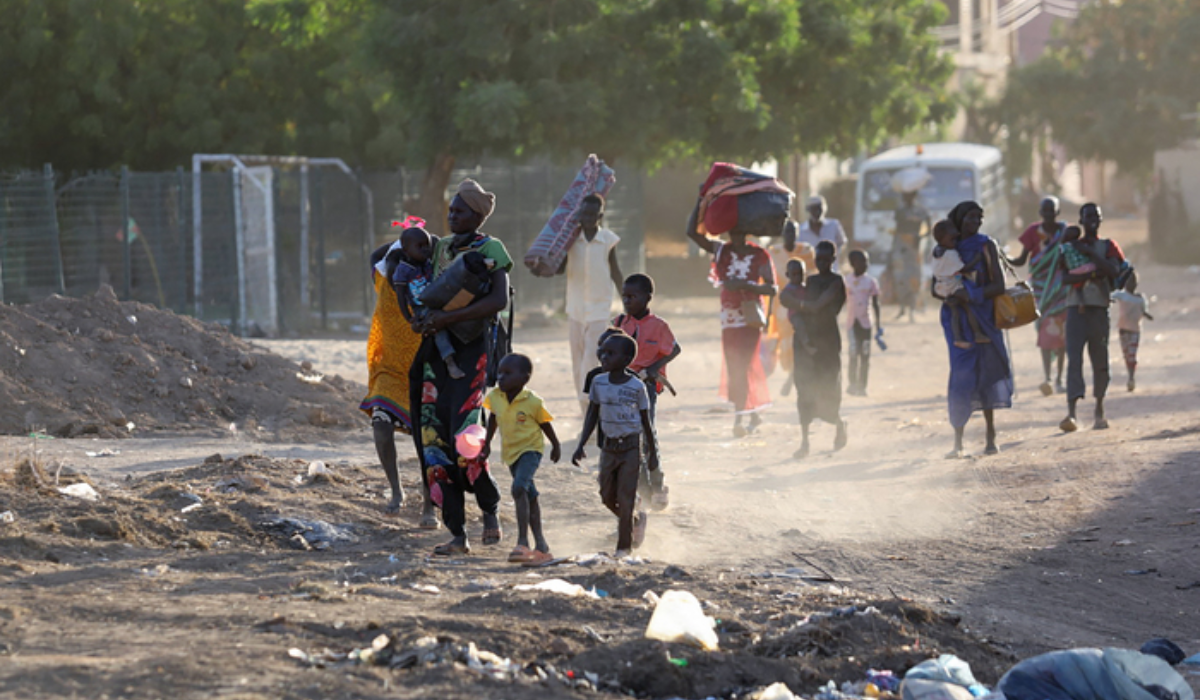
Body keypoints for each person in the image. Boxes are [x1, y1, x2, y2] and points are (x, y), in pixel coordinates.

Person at [411, 179, 513, 556]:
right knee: (433, 439)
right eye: (450, 210)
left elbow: (498, 300)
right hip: (436, 354)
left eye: (459, 211)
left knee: (466, 438)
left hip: (472, 352)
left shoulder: (491, 249)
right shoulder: (438, 247)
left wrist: (447, 319)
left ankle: (489, 509)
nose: (452, 216)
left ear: (477, 215)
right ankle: (457, 532)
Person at [361, 216, 432, 522]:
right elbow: (376, 255)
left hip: (425, 369)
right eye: (396, 261)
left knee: (427, 441)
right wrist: (402, 239)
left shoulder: (426, 284)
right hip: (389, 370)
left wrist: (419, 241)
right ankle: (396, 490)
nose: (400, 270)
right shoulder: (382, 276)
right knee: (380, 427)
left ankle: (431, 503)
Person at [687, 213, 778, 437]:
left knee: (742, 363)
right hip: (729, 318)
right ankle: (753, 411)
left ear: (746, 232)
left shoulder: (759, 254)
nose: (735, 236)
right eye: (732, 231)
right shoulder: (722, 251)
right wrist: (701, 200)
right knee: (735, 365)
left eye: (739, 232)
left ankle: (739, 418)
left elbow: (772, 288)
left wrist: (745, 286)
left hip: (750, 317)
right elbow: (692, 233)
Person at [572, 334, 661, 558]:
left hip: (632, 447)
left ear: (627, 358)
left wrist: (651, 455)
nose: (604, 356)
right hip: (609, 447)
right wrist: (581, 444)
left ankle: (623, 549)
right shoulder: (598, 382)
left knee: (626, 497)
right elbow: (592, 414)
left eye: (610, 353)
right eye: (602, 352)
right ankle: (630, 519)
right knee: (606, 494)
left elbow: (646, 422)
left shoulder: (637, 386)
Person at [935, 202, 1013, 458]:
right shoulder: (947, 246)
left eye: (979, 218)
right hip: (958, 323)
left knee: (987, 374)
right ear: (959, 219)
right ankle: (958, 441)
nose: (976, 222)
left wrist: (971, 294)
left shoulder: (986, 245)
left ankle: (990, 436)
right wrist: (950, 296)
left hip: (984, 318)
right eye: (970, 217)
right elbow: (935, 285)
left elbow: (999, 285)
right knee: (961, 377)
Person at [481, 353, 561, 566]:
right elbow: (493, 419)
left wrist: (556, 444)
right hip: (511, 453)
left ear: (524, 378)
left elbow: (545, 423)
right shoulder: (495, 396)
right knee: (529, 495)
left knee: (518, 489)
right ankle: (542, 546)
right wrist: (487, 443)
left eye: (507, 373)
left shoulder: (533, 401)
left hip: (530, 450)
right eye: (499, 372)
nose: (501, 377)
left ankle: (522, 542)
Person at [613, 273, 680, 510]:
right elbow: (607, 351)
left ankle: (657, 484)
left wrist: (652, 369)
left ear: (647, 298)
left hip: (646, 388)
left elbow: (674, 349)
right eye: (624, 296)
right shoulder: (619, 323)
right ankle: (641, 488)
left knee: (647, 435)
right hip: (621, 387)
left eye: (633, 296)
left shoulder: (659, 326)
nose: (627, 301)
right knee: (629, 437)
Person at [1059, 203, 1125, 433]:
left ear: (1101, 219)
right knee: (1074, 361)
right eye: (1088, 217)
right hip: (1076, 309)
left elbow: (1115, 271)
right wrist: (1095, 272)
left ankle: (1099, 408)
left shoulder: (1107, 246)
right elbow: (1063, 278)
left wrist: (1089, 255)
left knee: (1100, 360)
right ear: (1081, 220)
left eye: (1096, 216)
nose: (1092, 220)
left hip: (1098, 309)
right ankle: (1072, 412)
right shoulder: (1069, 247)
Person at [781, 241, 847, 458]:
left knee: (829, 388)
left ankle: (838, 424)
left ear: (833, 260)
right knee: (805, 389)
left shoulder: (837, 281)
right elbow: (785, 297)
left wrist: (798, 305)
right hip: (807, 342)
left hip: (828, 341)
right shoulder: (811, 281)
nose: (822, 263)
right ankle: (805, 441)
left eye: (826, 259)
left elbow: (818, 305)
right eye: (819, 259)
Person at [562, 193, 623, 414]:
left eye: (592, 214)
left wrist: (627, 299)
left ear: (600, 215)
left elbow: (615, 271)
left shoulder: (608, 240)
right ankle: (584, 408)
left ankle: (592, 405)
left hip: (599, 308)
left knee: (592, 357)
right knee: (577, 360)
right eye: (583, 213)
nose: (587, 218)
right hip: (575, 309)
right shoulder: (570, 240)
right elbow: (559, 268)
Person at [1008, 196, 1069, 396]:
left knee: (1062, 336)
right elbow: (1021, 260)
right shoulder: (1032, 232)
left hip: (1062, 290)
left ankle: (1059, 378)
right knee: (1046, 334)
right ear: (1040, 213)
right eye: (1045, 212)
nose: (1049, 216)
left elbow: (1071, 255)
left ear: (1058, 213)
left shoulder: (1065, 232)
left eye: (1052, 212)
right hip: (1042, 291)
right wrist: (1001, 257)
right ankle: (1048, 378)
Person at [389, 225, 464, 379]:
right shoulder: (403, 270)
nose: (425, 250)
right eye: (420, 246)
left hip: (438, 301)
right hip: (421, 308)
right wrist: (409, 317)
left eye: (427, 246)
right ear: (406, 249)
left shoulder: (428, 263)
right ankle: (450, 361)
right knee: (438, 329)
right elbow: (401, 297)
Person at [931, 220, 989, 350]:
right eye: (952, 238)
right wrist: (977, 259)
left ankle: (958, 338)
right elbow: (964, 269)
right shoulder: (951, 254)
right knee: (969, 306)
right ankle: (977, 333)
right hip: (952, 286)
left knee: (955, 311)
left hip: (940, 287)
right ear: (943, 237)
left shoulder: (936, 251)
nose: (955, 239)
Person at [843, 250, 882, 396]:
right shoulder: (846, 281)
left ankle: (862, 386)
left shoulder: (871, 282)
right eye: (862, 262)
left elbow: (876, 304)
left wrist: (878, 324)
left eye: (867, 262)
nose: (866, 265)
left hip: (866, 324)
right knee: (853, 354)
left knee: (865, 355)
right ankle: (852, 384)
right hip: (852, 324)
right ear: (853, 264)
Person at [889, 190, 931, 322]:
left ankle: (913, 309)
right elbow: (897, 229)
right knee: (900, 277)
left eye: (908, 195)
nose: (905, 198)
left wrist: (920, 237)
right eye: (904, 195)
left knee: (914, 277)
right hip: (901, 246)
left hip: (915, 246)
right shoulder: (899, 211)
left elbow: (928, 229)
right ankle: (902, 308)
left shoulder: (921, 211)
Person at [1111, 271, 1152, 392]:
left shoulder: (1140, 299)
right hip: (1123, 330)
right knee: (1127, 355)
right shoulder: (1121, 295)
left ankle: (1131, 378)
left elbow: (1143, 311)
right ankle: (1130, 377)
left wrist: (1147, 315)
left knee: (1131, 355)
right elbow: (1110, 297)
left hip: (1134, 330)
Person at [793, 195, 848, 270]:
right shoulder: (801, 230)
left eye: (819, 209)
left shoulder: (834, 225)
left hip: (831, 271)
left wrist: (836, 257)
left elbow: (842, 244)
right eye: (814, 209)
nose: (817, 212)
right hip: (810, 272)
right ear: (808, 210)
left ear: (824, 209)